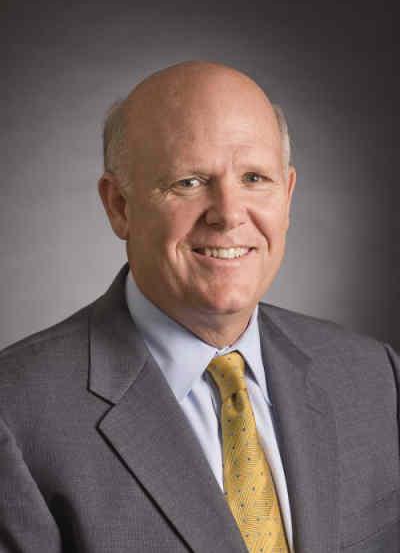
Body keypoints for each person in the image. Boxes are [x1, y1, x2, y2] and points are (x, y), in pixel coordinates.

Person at [0, 61, 398, 553]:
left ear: (288, 196)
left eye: (254, 177)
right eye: (188, 182)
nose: (228, 214)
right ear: (119, 206)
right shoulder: (16, 416)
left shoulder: (375, 380)